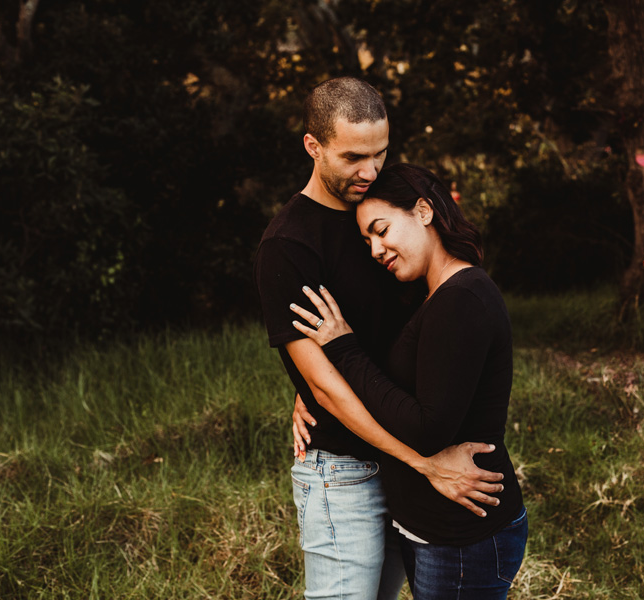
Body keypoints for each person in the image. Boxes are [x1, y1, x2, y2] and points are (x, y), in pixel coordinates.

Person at [254, 77, 504, 600]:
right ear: (313, 146)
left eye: (381, 153)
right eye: (352, 158)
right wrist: (424, 462)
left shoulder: (386, 209)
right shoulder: (288, 245)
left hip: (404, 463)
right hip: (347, 470)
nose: (369, 171)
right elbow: (325, 386)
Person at [289, 163, 527, 599]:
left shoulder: (460, 299)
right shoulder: (434, 295)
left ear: (423, 210)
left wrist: (343, 350)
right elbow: (400, 384)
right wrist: (315, 389)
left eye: (382, 230)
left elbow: (427, 428)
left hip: (462, 533)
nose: (376, 249)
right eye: (367, 240)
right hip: (437, 528)